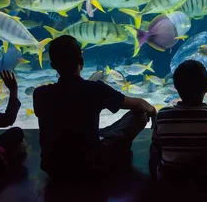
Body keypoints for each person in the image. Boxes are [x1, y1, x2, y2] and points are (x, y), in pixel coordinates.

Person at [33, 35, 156, 181]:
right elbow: (139, 105)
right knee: (139, 115)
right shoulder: (95, 89)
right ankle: (117, 154)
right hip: (91, 164)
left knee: (96, 132)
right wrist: (153, 111)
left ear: (53, 65)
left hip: (53, 167)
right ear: (81, 62)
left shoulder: (40, 94)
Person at [150, 60, 207, 181]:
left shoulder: (163, 116)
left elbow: (156, 146)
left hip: (170, 182)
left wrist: (153, 175)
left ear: (176, 87)